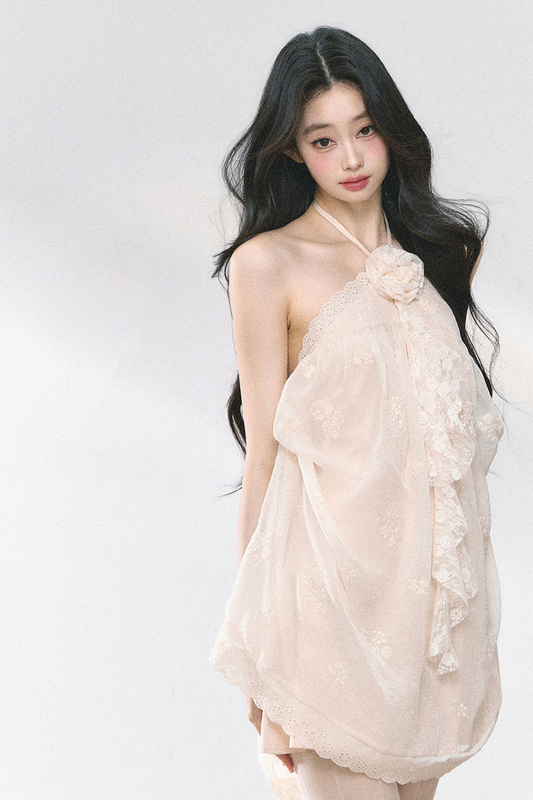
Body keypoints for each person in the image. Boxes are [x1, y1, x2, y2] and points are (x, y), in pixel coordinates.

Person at [210, 26, 503, 800]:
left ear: (390, 130)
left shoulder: (439, 253)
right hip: (327, 609)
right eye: (322, 139)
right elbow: (264, 457)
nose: (350, 157)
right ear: (291, 150)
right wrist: (258, 642)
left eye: (364, 129)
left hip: (425, 625)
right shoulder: (268, 263)